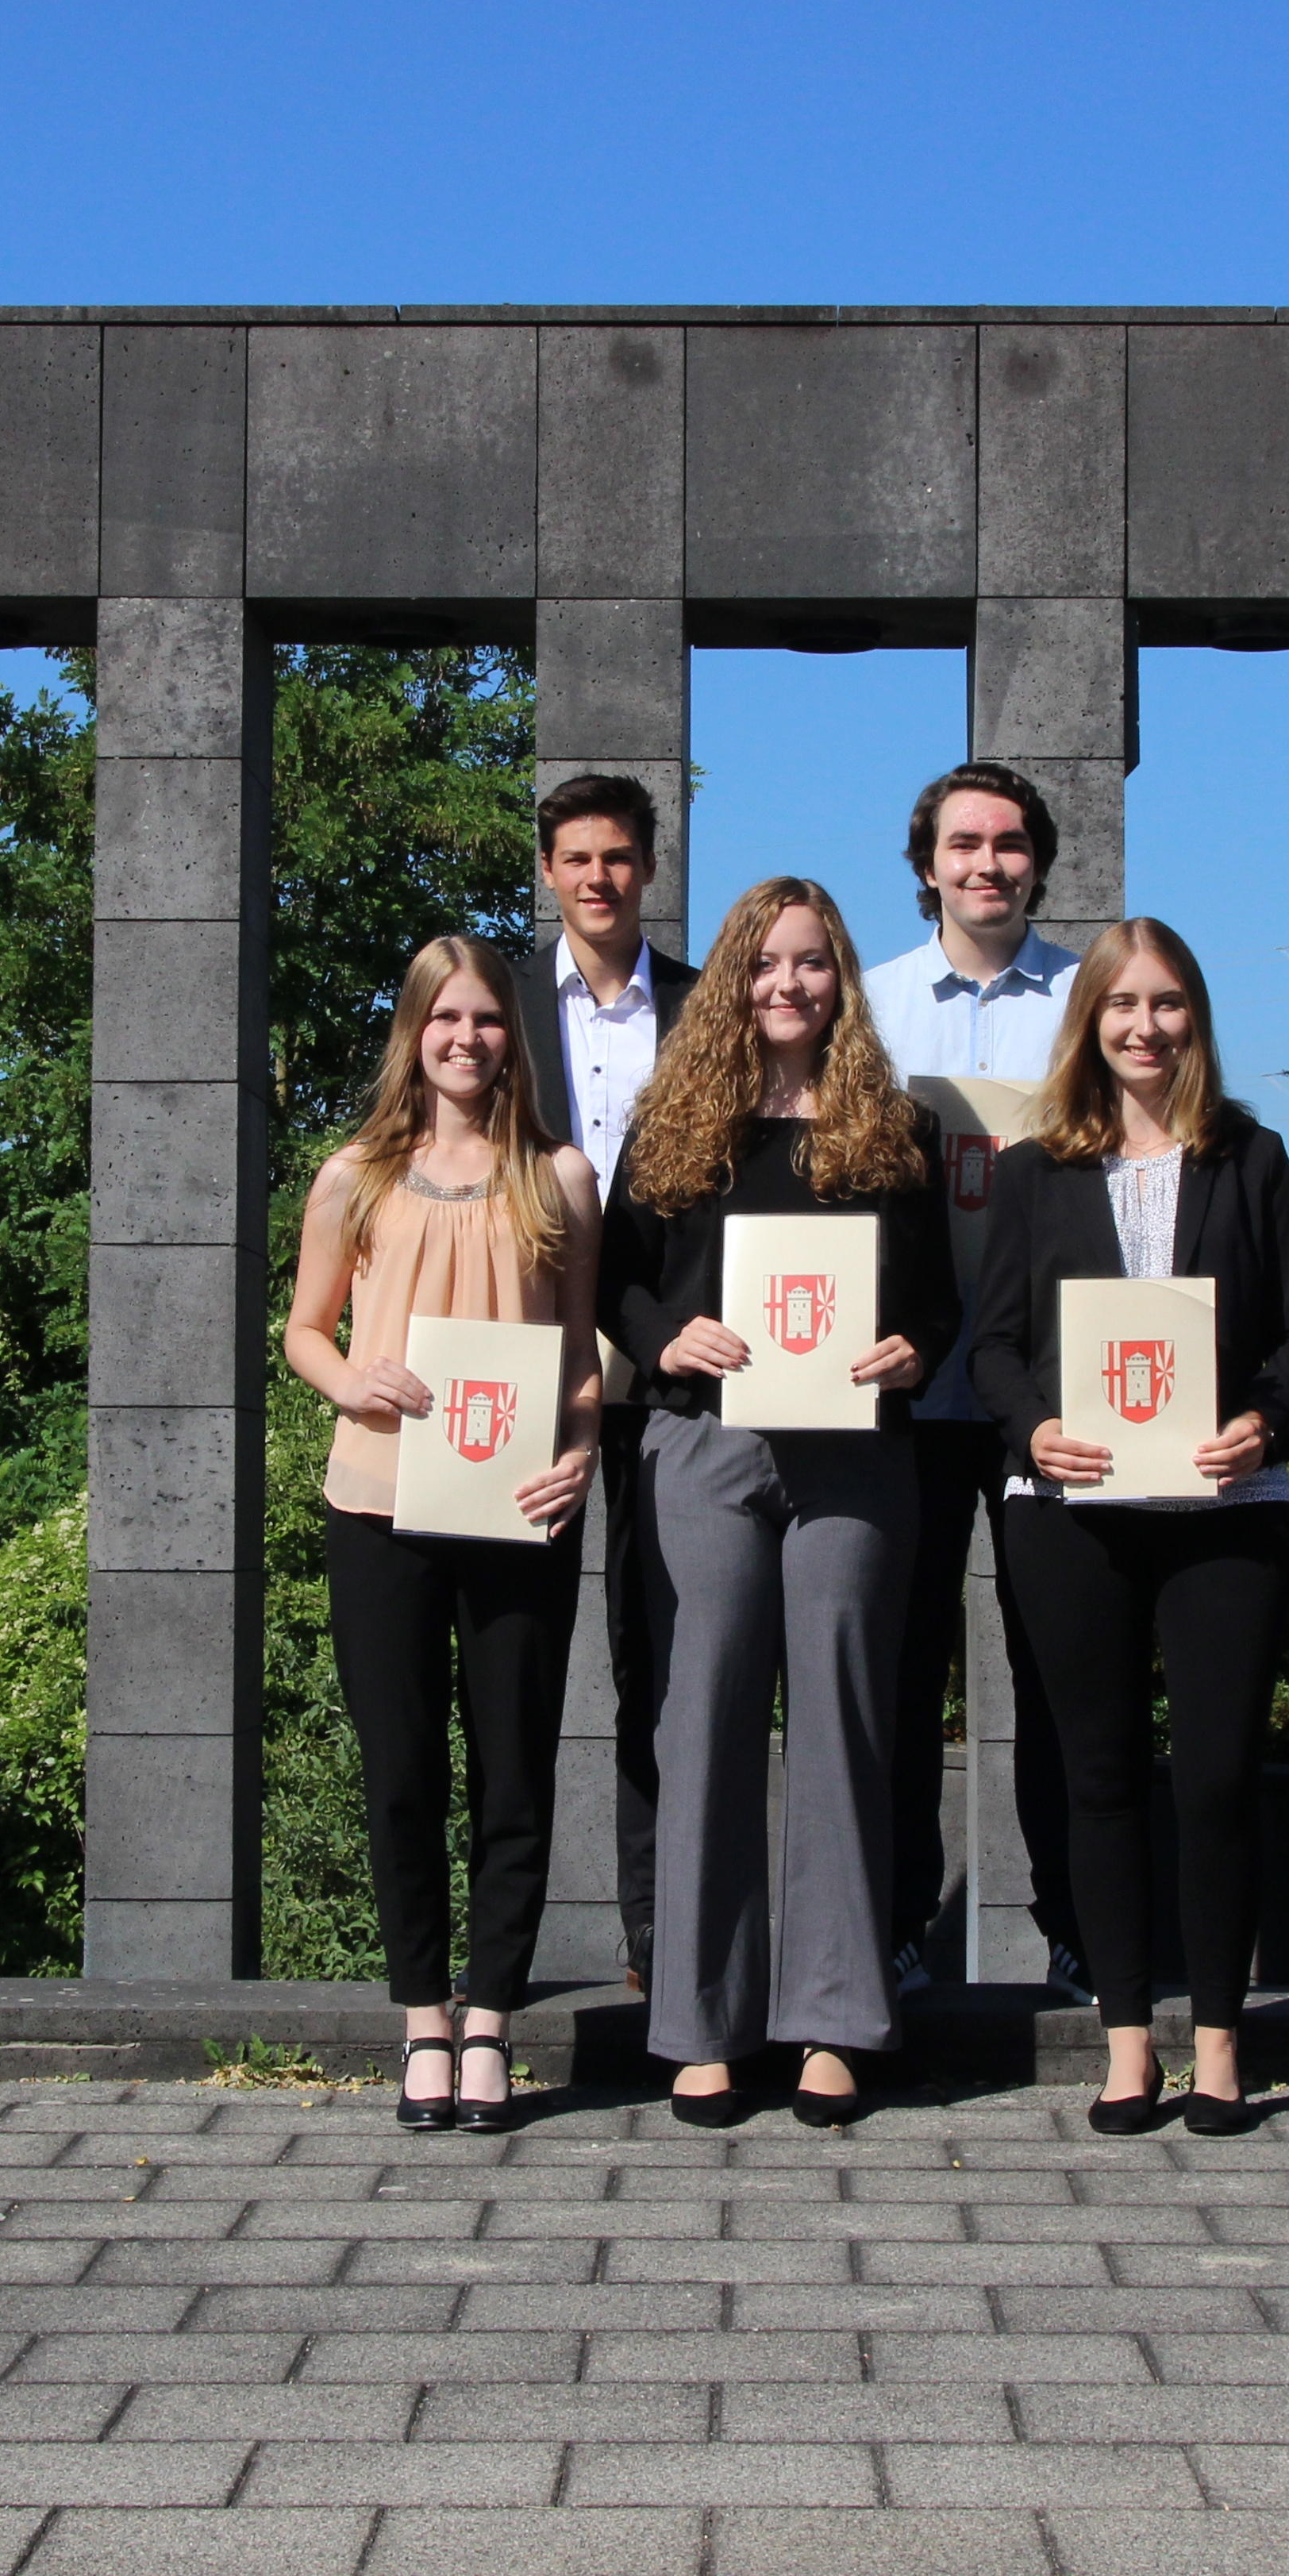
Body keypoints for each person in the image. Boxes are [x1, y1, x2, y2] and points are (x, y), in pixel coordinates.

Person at [599, 877, 958, 2129]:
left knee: (847, 1728)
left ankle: (833, 2024)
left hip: (855, 1460)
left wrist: (911, 1350)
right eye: (764, 965)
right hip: (708, 1447)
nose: (787, 986)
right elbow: (618, 1285)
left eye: (810, 965)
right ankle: (700, 2024)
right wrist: (668, 1339)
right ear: (733, 983)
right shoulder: (673, 1124)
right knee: (701, 1722)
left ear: (839, 981)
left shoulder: (894, 1128)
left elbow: (939, 1304)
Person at [968, 918, 1289, 2138]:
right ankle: (1129, 2046)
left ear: (1196, 1018)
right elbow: (997, 1346)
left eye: (1167, 1003)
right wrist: (1031, 1434)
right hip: (1073, 1512)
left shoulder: (1255, 1158)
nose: (1145, 1026)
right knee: (1101, 1779)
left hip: (1225, 1509)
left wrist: (1264, 1423)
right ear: (1091, 1023)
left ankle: (1221, 2045)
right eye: (1122, 1005)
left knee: (1220, 1778)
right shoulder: (1034, 1171)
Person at [283, 938, 603, 2133]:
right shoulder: (354, 1176)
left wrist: (579, 1453)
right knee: (404, 1771)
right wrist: (351, 1381)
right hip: (380, 1504)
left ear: (515, 1036)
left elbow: (581, 1360)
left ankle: (493, 2024)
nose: (466, 1039)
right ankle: (423, 2013)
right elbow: (304, 1329)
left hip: (519, 1508)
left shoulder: (560, 1177)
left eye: (487, 1020)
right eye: (445, 1019)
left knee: (516, 1772)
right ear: (413, 1030)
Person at [857, 762, 1087, 2004]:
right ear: (927, 864)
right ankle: (898, 1923)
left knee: (1060, 1671)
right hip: (903, 1387)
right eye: (963, 844)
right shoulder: (872, 1007)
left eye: (1007, 843)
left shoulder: (1089, 1003)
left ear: (1037, 861)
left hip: (1052, 1394)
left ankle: (1075, 1926)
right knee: (898, 1673)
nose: (986, 863)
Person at [511, 774, 687, 1999]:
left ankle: (655, 1939)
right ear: (548, 871)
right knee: (515, 1656)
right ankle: (493, 1958)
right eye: (575, 857)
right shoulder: (502, 1003)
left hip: (674, 1360)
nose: (596, 877)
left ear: (649, 867)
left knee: (658, 1659)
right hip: (527, 1358)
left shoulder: (700, 1004)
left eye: (617, 857)